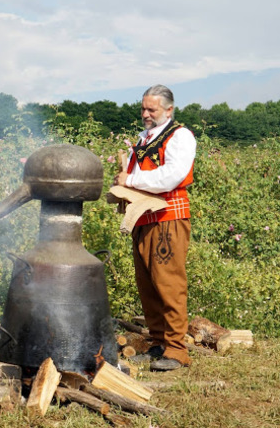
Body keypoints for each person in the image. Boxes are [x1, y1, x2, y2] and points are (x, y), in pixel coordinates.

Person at [113, 84, 196, 371]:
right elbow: (137, 177)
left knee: (169, 283)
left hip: (168, 218)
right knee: (148, 285)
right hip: (144, 219)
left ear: (169, 110)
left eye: (152, 109)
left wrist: (131, 181)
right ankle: (159, 343)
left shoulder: (180, 136)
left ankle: (177, 350)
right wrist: (122, 182)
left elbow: (172, 176)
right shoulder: (145, 138)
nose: (146, 114)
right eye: (143, 108)